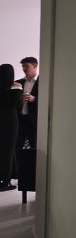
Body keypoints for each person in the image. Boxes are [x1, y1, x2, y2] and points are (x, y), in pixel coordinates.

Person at [0, 64, 21, 192]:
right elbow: (18, 104)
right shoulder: (16, 86)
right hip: (10, 122)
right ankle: (6, 182)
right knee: (8, 151)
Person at [16, 56, 39, 149]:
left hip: (34, 121)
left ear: (35, 66)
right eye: (23, 66)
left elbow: (48, 100)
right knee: (17, 148)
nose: (24, 69)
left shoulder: (44, 82)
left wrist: (35, 99)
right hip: (19, 120)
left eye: (26, 66)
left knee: (35, 148)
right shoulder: (18, 83)